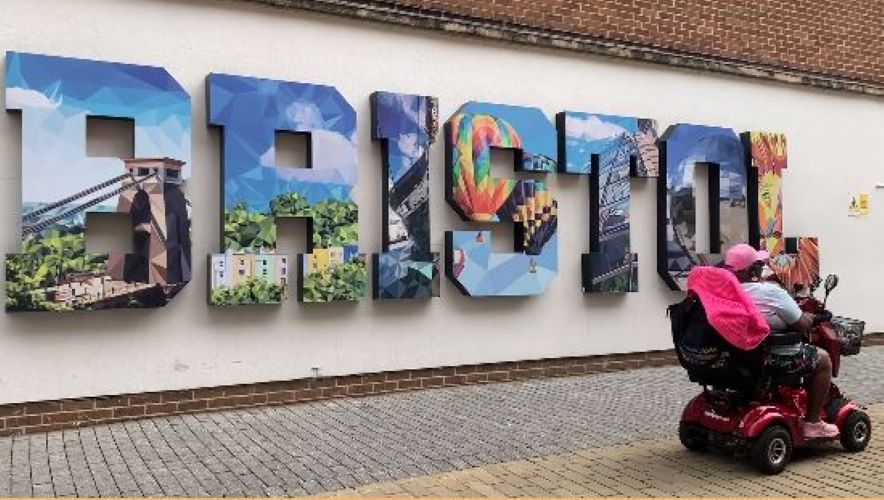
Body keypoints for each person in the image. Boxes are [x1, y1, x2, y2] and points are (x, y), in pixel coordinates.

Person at [724, 243, 839, 439]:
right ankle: (812, 423)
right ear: (753, 269)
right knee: (823, 359)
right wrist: (812, 317)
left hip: (735, 356)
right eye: (760, 264)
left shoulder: (724, 292)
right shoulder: (769, 292)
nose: (762, 268)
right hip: (769, 357)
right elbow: (802, 324)